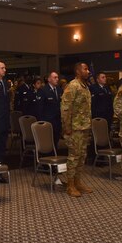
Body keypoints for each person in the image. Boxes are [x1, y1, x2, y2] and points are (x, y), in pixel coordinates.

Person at [61, 62, 93, 197]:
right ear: (78, 72)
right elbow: (65, 108)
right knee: (74, 157)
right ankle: (70, 185)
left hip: (84, 127)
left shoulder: (85, 87)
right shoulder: (73, 86)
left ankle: (77, 181)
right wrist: (67, 127)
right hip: (74, 129)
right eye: (85, 69)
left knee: (82, 157)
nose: (88, 71)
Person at [39, 71, 62, 149]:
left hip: (57, 121)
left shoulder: (59, 90)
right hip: (48, 121)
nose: (57, 79)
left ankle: (54, 157)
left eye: (57, 77)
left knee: (55, 142)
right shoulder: (43, 90)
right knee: (47, 144)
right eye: (55, 77)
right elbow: (40, 108)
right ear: (49, 79)